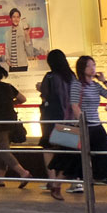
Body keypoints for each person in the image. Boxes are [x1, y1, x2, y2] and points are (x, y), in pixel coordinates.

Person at [69, 55, 107, 203]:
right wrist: (82, 122)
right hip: (85, 126)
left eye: (94, 65)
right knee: (74, 160)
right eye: (90, 66)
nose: (93, 68)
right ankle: (57, 185)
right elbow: (74, 105)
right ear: (82, 68)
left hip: (96, 126)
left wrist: (105, 81)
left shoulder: (95, 85)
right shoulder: (77, 84)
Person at [39, 48, 75, 201]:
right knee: (70, 152)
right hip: (69, 119)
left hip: (51, 119)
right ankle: (59, 182)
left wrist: (39, 88)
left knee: (48, 148)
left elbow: (45, 96)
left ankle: (53, 181)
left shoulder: (50, 76)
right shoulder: (71, 77)